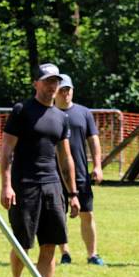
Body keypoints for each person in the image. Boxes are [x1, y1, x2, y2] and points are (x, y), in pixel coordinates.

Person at [0, 63, 81, 277]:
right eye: (47, 81)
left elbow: (66, 159)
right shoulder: (21, 110)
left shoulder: (61, 117)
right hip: (24, 185)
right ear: (36, 83)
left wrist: (73, 193)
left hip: (52, 186)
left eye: (55, 82)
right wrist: (6, 185)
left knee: (51, 243)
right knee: (22, 243)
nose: (52, 86)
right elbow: (6, 150)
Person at [54, 74, 104, 266]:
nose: (65, 93)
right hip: (55, 174)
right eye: (62, 90)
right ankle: (64, 252)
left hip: (81, 174)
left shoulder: (83, 113)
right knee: (58, 216)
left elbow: (94, 141)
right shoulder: (50, 113)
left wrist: (98, 166)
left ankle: (92, 255)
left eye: (68, 90)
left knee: (87, 214)